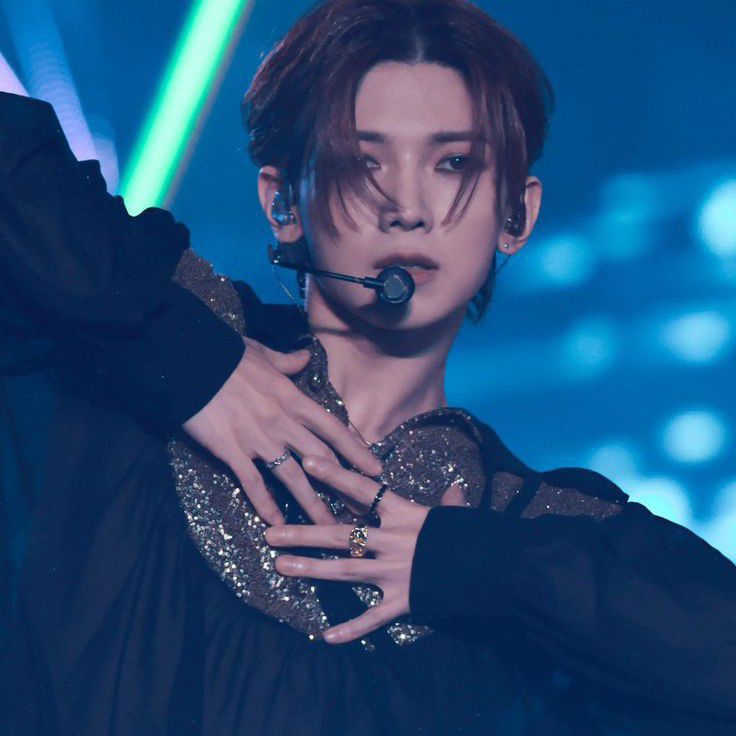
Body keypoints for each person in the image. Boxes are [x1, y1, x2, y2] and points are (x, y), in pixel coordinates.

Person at [1, 0, 735, 734]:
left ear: (516, 215)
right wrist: (189, 361)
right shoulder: (129, 343)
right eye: (363, 162)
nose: (406, 207)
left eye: (453, 163)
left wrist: (470, 565)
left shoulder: (536, 529)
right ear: (284, 203)